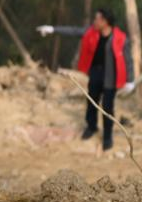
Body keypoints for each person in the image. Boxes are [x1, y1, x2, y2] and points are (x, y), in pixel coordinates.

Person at [37, 8, 135, 151]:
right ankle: (91, 127)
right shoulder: (91, 33)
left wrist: (130, 80)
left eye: (97, 19)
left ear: (105, 22)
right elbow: (73, 31)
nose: (94, 21)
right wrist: (53, 29)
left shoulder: (120, 38)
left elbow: (128, 60)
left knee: (108, 107)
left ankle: (107, 136)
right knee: (91, 102)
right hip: (95, 74)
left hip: (111, 77)